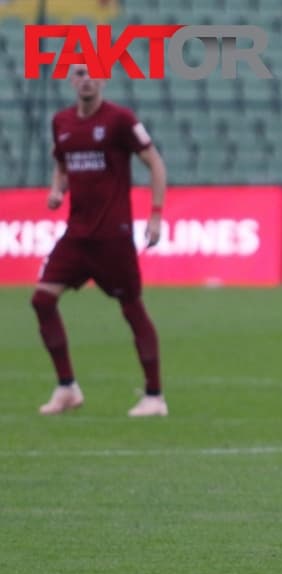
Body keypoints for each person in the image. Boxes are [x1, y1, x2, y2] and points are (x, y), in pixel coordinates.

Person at [33, 65, 168, 417]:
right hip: (77, 235)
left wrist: (155, 214)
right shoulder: (61, 122)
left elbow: (154, 162)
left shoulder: (120, 120)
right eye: (79, 73)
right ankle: (67, 388)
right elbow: (62, 164)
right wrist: (56, 190)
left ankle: (154, 396)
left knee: (132, 308)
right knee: (42, 300)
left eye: (93, 73)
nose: (86, 79)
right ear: (71, 80)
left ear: (104, 79)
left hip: (112, 236)